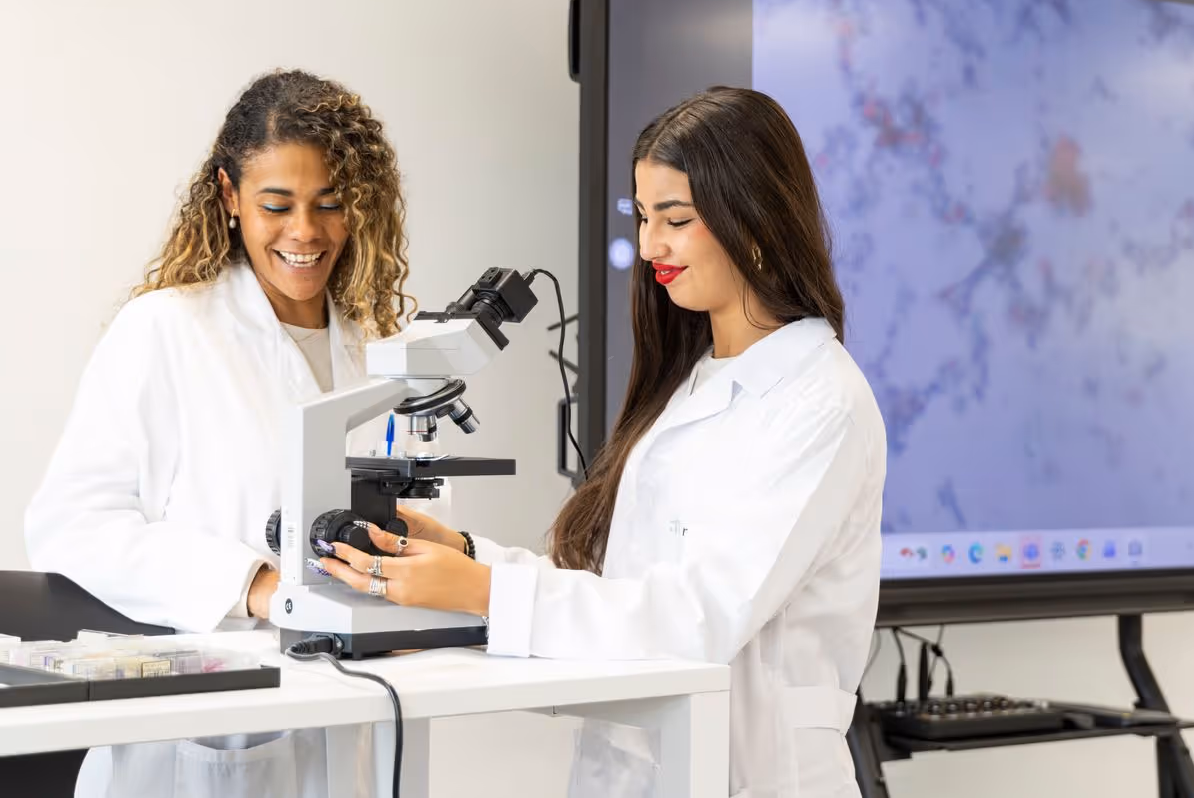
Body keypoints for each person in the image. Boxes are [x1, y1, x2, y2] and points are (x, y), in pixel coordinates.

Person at [316, 86, 888, 798]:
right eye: (644, 218)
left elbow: (697, 616)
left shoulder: (820, 400)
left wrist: (489, 592)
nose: (649, 247)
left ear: (756, 218)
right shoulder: (694, 382)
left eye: (675, 219)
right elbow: (618, 589)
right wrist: (467, 557)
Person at [25, 69, 413, 798]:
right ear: (230, 197)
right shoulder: (167, 329)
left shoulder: (373, 349)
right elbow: (70, 524)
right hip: (195, 750)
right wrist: (252, 585)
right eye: (278, 204)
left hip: (348, 727)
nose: (305, 232)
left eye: (329, 205)